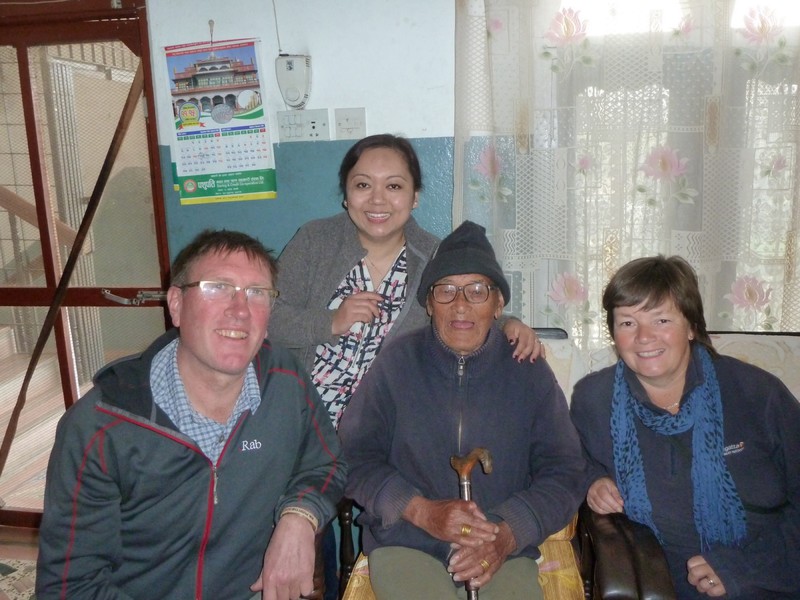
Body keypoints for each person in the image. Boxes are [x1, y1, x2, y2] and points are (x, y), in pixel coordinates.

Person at [269, 134, 542, 597]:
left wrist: (511, 321)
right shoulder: (315, 241)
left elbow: (464, 305)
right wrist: (329, 320)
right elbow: (266, 316)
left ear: (414, 197)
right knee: (299, 538)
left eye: (394, 186)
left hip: (383, 432)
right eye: (362, 185)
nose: (377, 200)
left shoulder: (433, 254)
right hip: (307, 426)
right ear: (345, 193)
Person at [36, 230, 346, 600]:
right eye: (218, 287)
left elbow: (326, 462)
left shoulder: (285, 379)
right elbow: (72, 586)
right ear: (177, 304)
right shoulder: (102, 426)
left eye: (257, 293)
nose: (240, 309)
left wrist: (300, 516)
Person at [338, 221, 586, 600]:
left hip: (502, 547)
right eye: (446, 290)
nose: (460, 305)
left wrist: (507, 531)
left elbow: (565, 471)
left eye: (477, 291)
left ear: (499, 303)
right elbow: (354, 457)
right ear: (428, 303)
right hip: (408, 541)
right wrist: (421, 511)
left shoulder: (528, 370)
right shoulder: (396, 363)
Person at [570, 255, 800, 599]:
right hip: (666, 585)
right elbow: (563, 462)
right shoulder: (594, 400)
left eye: (661, 319)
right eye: (628, 323)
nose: (644, 337)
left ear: (691, 326)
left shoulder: (756, 393)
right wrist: (591, 480)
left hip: (772, 576)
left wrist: (744, 570)